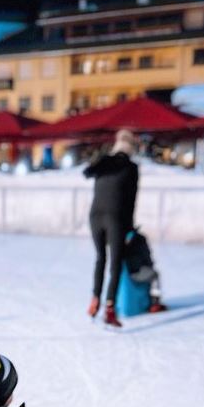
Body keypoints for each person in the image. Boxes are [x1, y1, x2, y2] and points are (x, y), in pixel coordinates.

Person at [83, 129, 138, 327]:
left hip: (95, 216)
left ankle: (94, 300)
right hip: (116, 218)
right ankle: (109, 309)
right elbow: (131, 200)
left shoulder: (104, 162)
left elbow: (87, 173)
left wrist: (100, 158)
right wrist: (130, 230)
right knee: (115, 263)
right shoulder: (131, 167)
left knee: (100, 259)